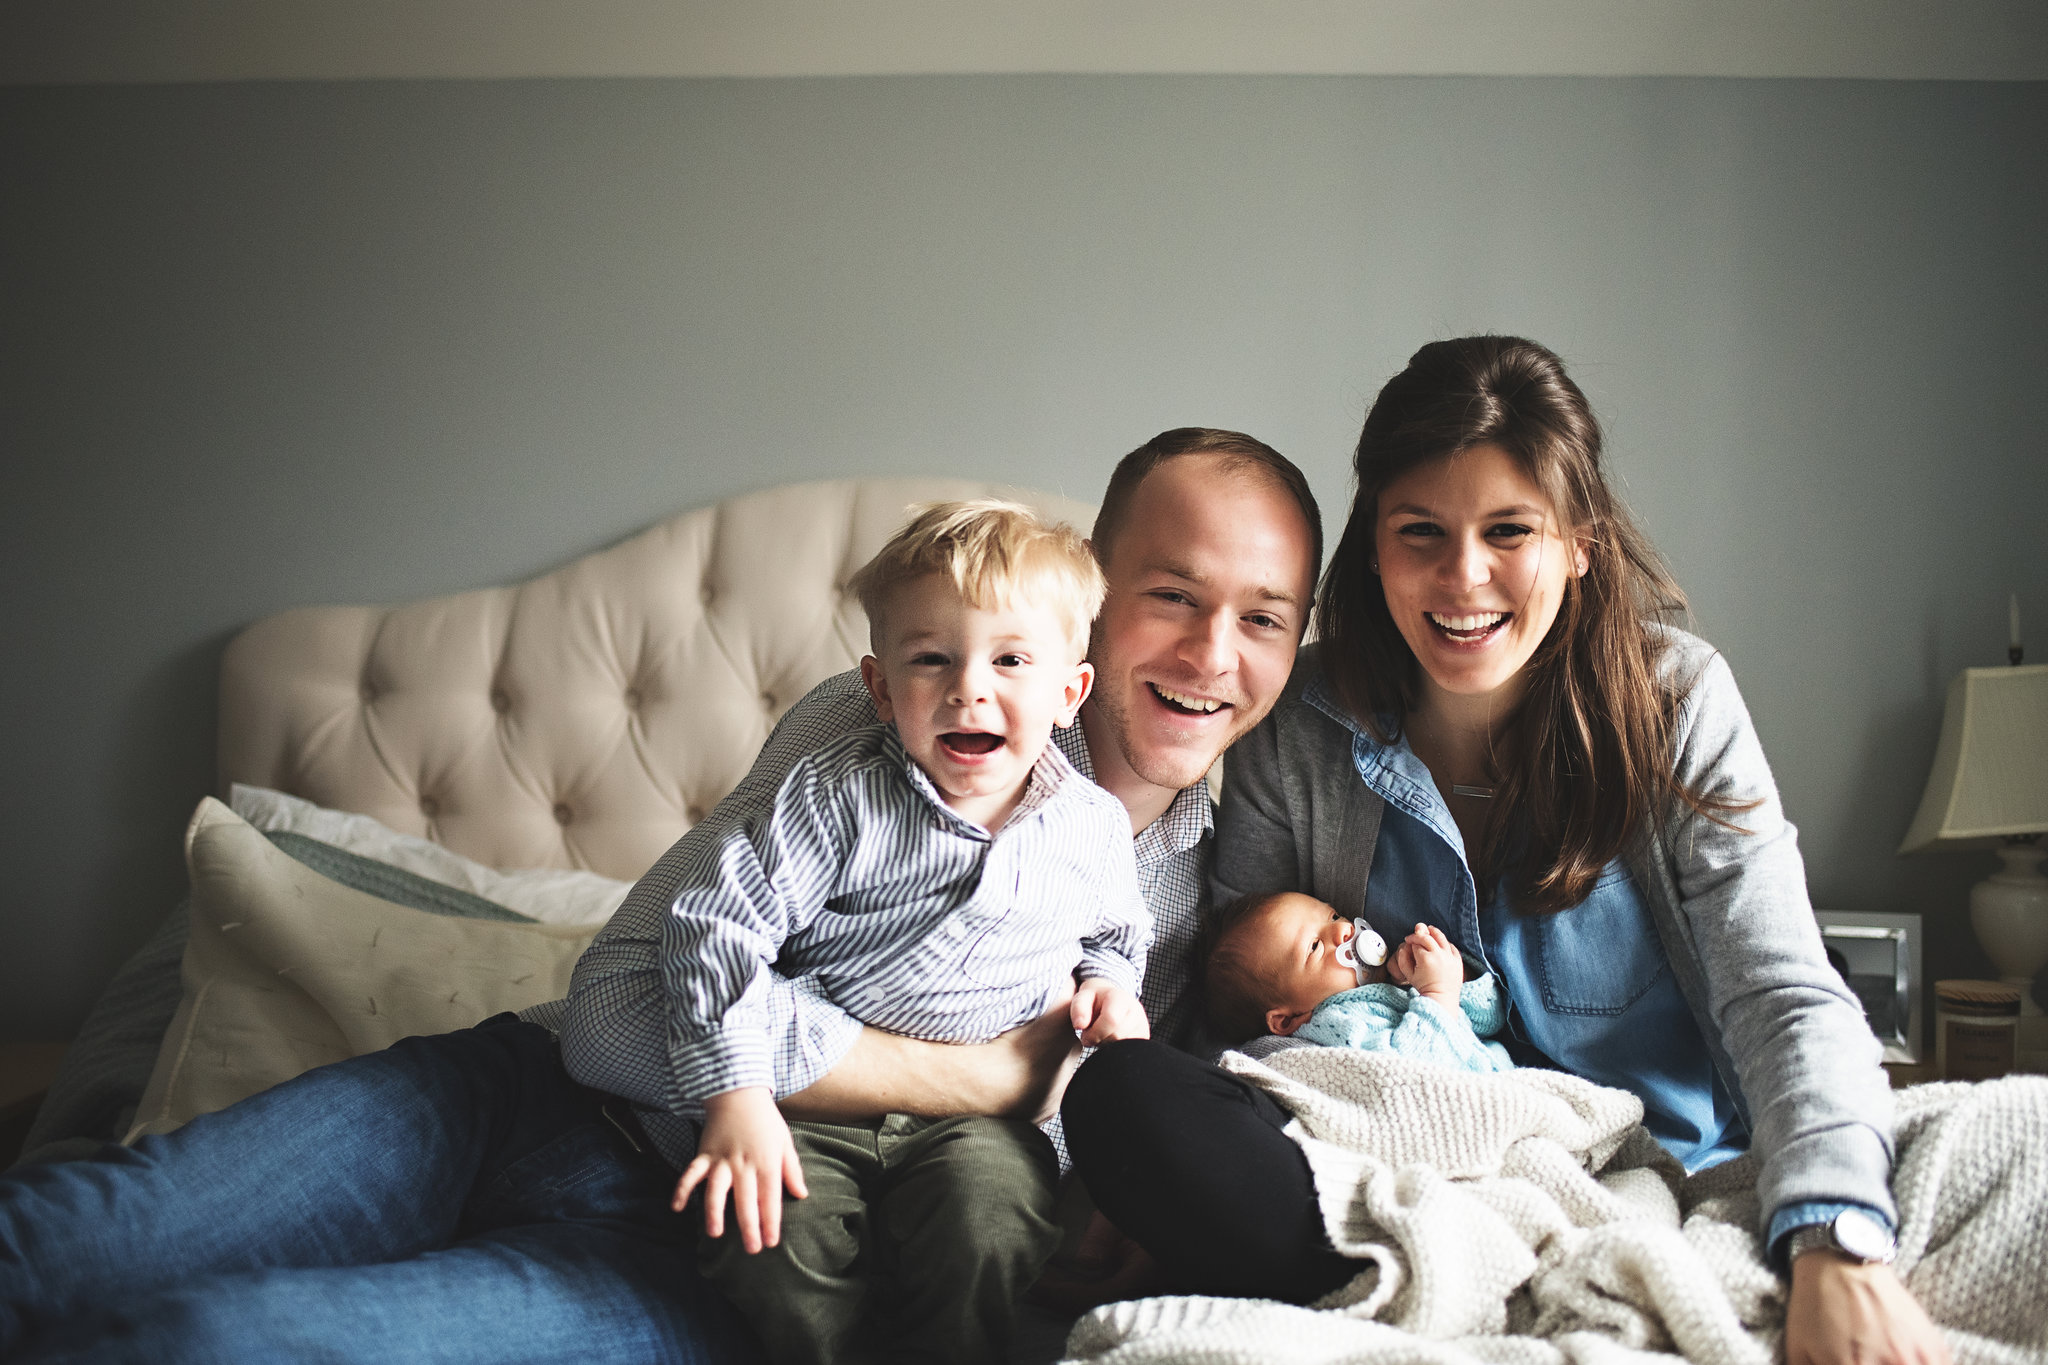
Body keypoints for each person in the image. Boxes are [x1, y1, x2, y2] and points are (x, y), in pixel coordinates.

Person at [0, 427, 1321, 1363]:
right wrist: (969, 1076)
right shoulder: (869, 736)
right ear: (1094, 603)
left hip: (711, 1264)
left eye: (1263, 616)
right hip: (526, 1095)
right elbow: (622, 1014)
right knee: (77, 1236)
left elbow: (1088, 1157)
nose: (1212, 652)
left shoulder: (1247, 880)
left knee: (214, 1342)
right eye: (1172, 595)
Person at [1060, 337, 1951, 1365]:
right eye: (1420, 533)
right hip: (1392, 1177)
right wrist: (1160, 1186)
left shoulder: (1675, 704)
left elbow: (1779, 992)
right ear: (1374, 549)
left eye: (1507, 531)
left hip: (1643, 1175)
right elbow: (1236, 1022)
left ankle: (1478, 1297)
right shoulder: (1298, 721)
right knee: (1125, 1098)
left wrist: (1837, 1245)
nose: (1462, 578)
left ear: (1576, 540)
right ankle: (1433, 1282)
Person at [559, 499, 1152, 1365]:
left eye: (1011, 659)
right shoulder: (835, 796)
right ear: (879, 688)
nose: (968, 687)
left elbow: (1114, 932)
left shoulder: (1092, 828)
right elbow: (716, 927)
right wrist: (738, 1098)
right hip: (809, 1112)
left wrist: (1109, 988)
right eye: (931, 659)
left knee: (990, 1222)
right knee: (764, 1234)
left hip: (976, 1135)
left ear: (1070, 693)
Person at [1201, 892, 1511, 1074]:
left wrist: (1449, 979)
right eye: (1314, 947)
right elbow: (1408, 1073)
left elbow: (1492, 1017)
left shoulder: (1392, 991)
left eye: (1333, 916)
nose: (1344, 931)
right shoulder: (1335, 1028)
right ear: (1287, 1020)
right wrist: (1438, 994)